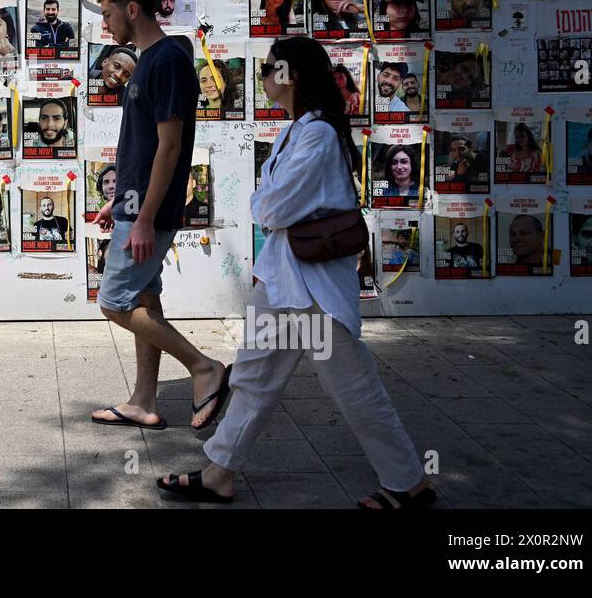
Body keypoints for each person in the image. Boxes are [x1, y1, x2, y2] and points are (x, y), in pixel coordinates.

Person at [159, 34, 434, 509]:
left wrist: (263, 203)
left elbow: (273, 208)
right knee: (252, 380)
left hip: (315, 291)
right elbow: (275, 206)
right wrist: (267, 208)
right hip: (284, 283)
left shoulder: (319, 134)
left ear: (292, 75)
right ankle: (219, 473)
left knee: (351, 387)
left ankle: (410, 483)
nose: (264, 76)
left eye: (269, 68)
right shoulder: (296, 130)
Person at [87, 0, 223, 433]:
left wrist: (143, 218)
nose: (105, 25)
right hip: (135, 204)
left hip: (149, 212)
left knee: (113, 302)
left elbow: (170, 146)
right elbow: (142, 147)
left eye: (107, 14)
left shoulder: (166, 60)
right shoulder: (149, 59)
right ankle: (143, 401)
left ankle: (204, 367)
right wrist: (121, 202)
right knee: (146, 296)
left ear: (131, 9)